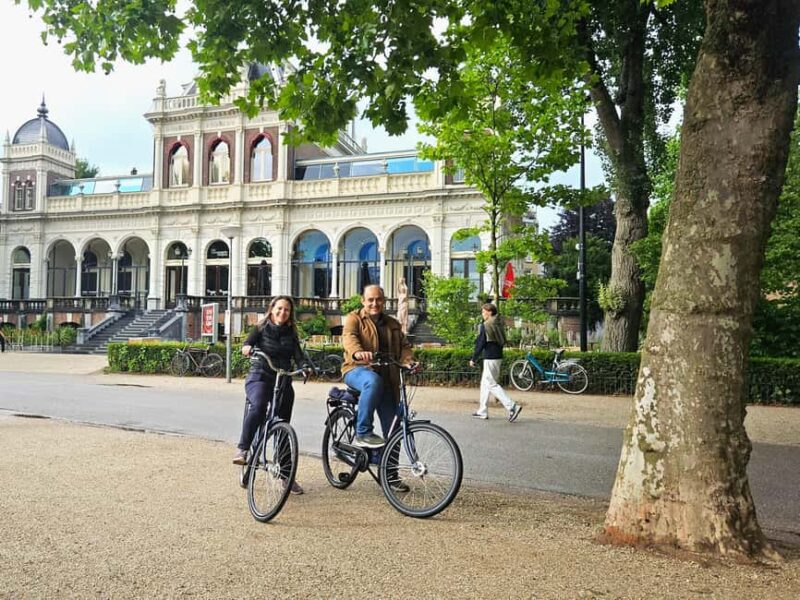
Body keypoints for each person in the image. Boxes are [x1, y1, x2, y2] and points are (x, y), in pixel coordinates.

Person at [234, 295, 309, 494]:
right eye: (279, 308)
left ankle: (285, 475)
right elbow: (247, 344)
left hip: (282, 379)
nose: (282, 312)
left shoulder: (291, 335)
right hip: (260, 375)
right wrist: (247, 348)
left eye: (286, 310)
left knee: (283, 426)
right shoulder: (259, 328)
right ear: (272, 309)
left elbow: (299, 357)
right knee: (258, 406)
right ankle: (243, 449)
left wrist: (305, 367)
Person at [342, 284, 419, 449]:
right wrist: (358, 352)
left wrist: (408, 361)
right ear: (363, 301)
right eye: (370, 300)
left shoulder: (393, 324)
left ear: (383, 301)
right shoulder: (354, 318)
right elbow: (350, 337)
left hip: (386, 378)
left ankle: (389, 473)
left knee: (394, 429)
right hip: (356, 369)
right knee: (372, 381)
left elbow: (404, 346)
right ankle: (363, 432)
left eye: (378, 299)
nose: (374, 303)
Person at [469, 303, 522, 422]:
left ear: (489, 312)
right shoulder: (498, 323)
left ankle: (512, 406)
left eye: (483, 312)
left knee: (491, 384)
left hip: (490, 357)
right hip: (498, 356)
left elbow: (481, 343)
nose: (482, 314)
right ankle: (482, 411)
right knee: (485, 384)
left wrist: (473, 358)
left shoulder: (486, 324)